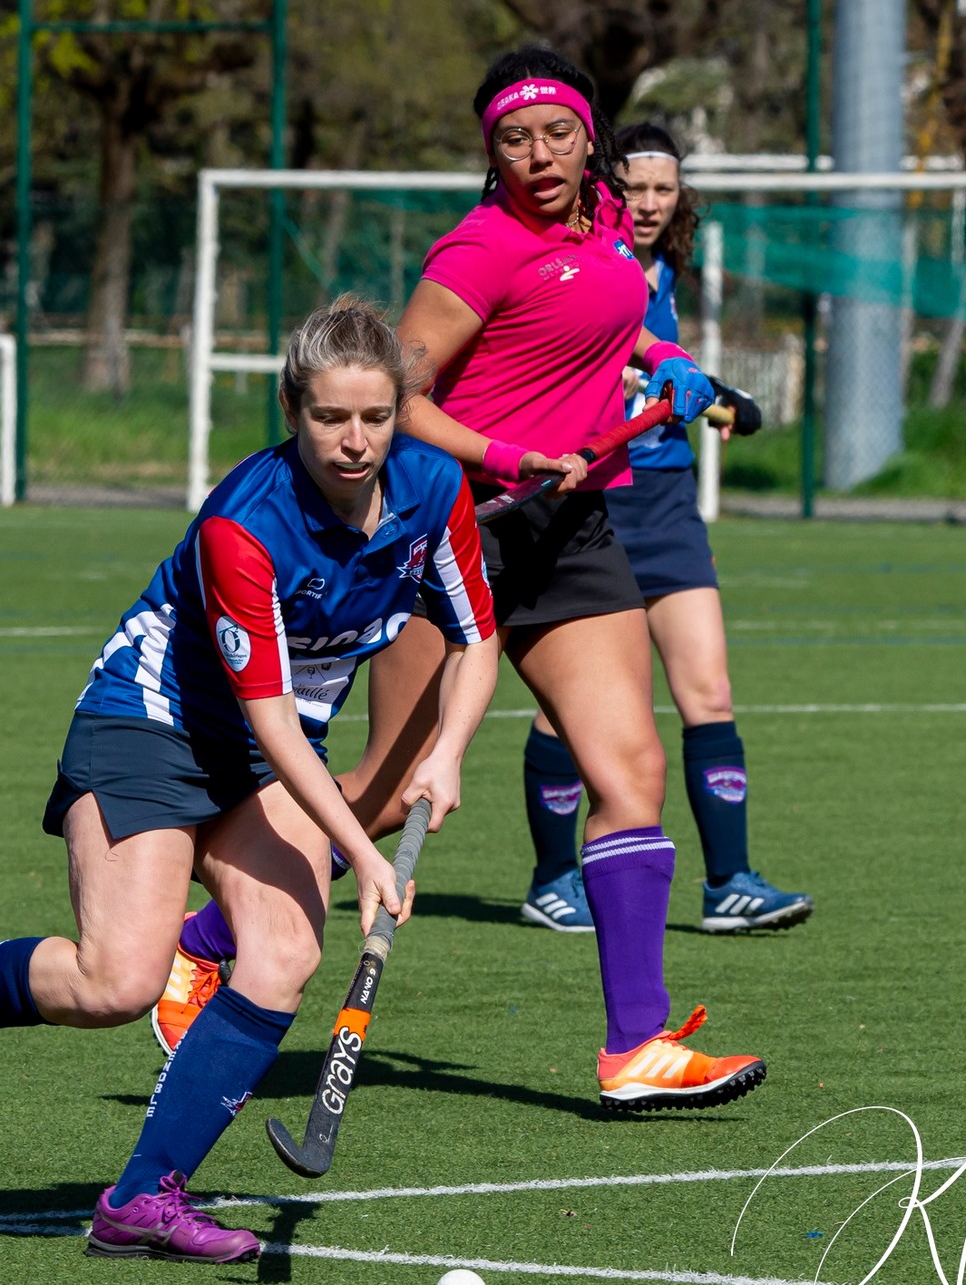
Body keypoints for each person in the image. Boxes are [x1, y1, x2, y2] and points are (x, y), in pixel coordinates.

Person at [0, 299, 500, 1265]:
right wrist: (361, 852)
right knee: (117, 981)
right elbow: (263, 715)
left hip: (272, 746)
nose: (354, 442)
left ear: (401, 414)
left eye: (376, 419)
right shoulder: (246, 523)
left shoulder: (434, 488)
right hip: (153, 723)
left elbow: (476, 639)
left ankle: (142, 1197)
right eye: (330, 418)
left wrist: (447, 750)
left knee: (280, 956)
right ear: (292, 409)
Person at [162, 49, 767, 1116]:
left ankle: (635, 1045)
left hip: (572, 527)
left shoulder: (608, 239)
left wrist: (661, 368)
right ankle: (201, 945)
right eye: (513, 140)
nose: (537, 156)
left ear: (592, 140)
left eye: (556, 134)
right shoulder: (481, 247)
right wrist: (504, 456)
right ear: (491, 152)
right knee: (391, 790)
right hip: (457, 527)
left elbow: (585, 336)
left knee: (628, 769)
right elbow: (401, 393)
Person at [514, 123, 813, 936]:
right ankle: (552, 877)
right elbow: (607, 362)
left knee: (707, 688)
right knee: (572, 709)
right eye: (635, 186)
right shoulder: (580, 257)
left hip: (668, 497)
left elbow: (656, 368)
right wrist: (720, 398)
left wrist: (709, 399)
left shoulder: (665, 268)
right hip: (590, 497)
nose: (648, 202)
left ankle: (730, 882)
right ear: (606, 185)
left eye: (663, 189)